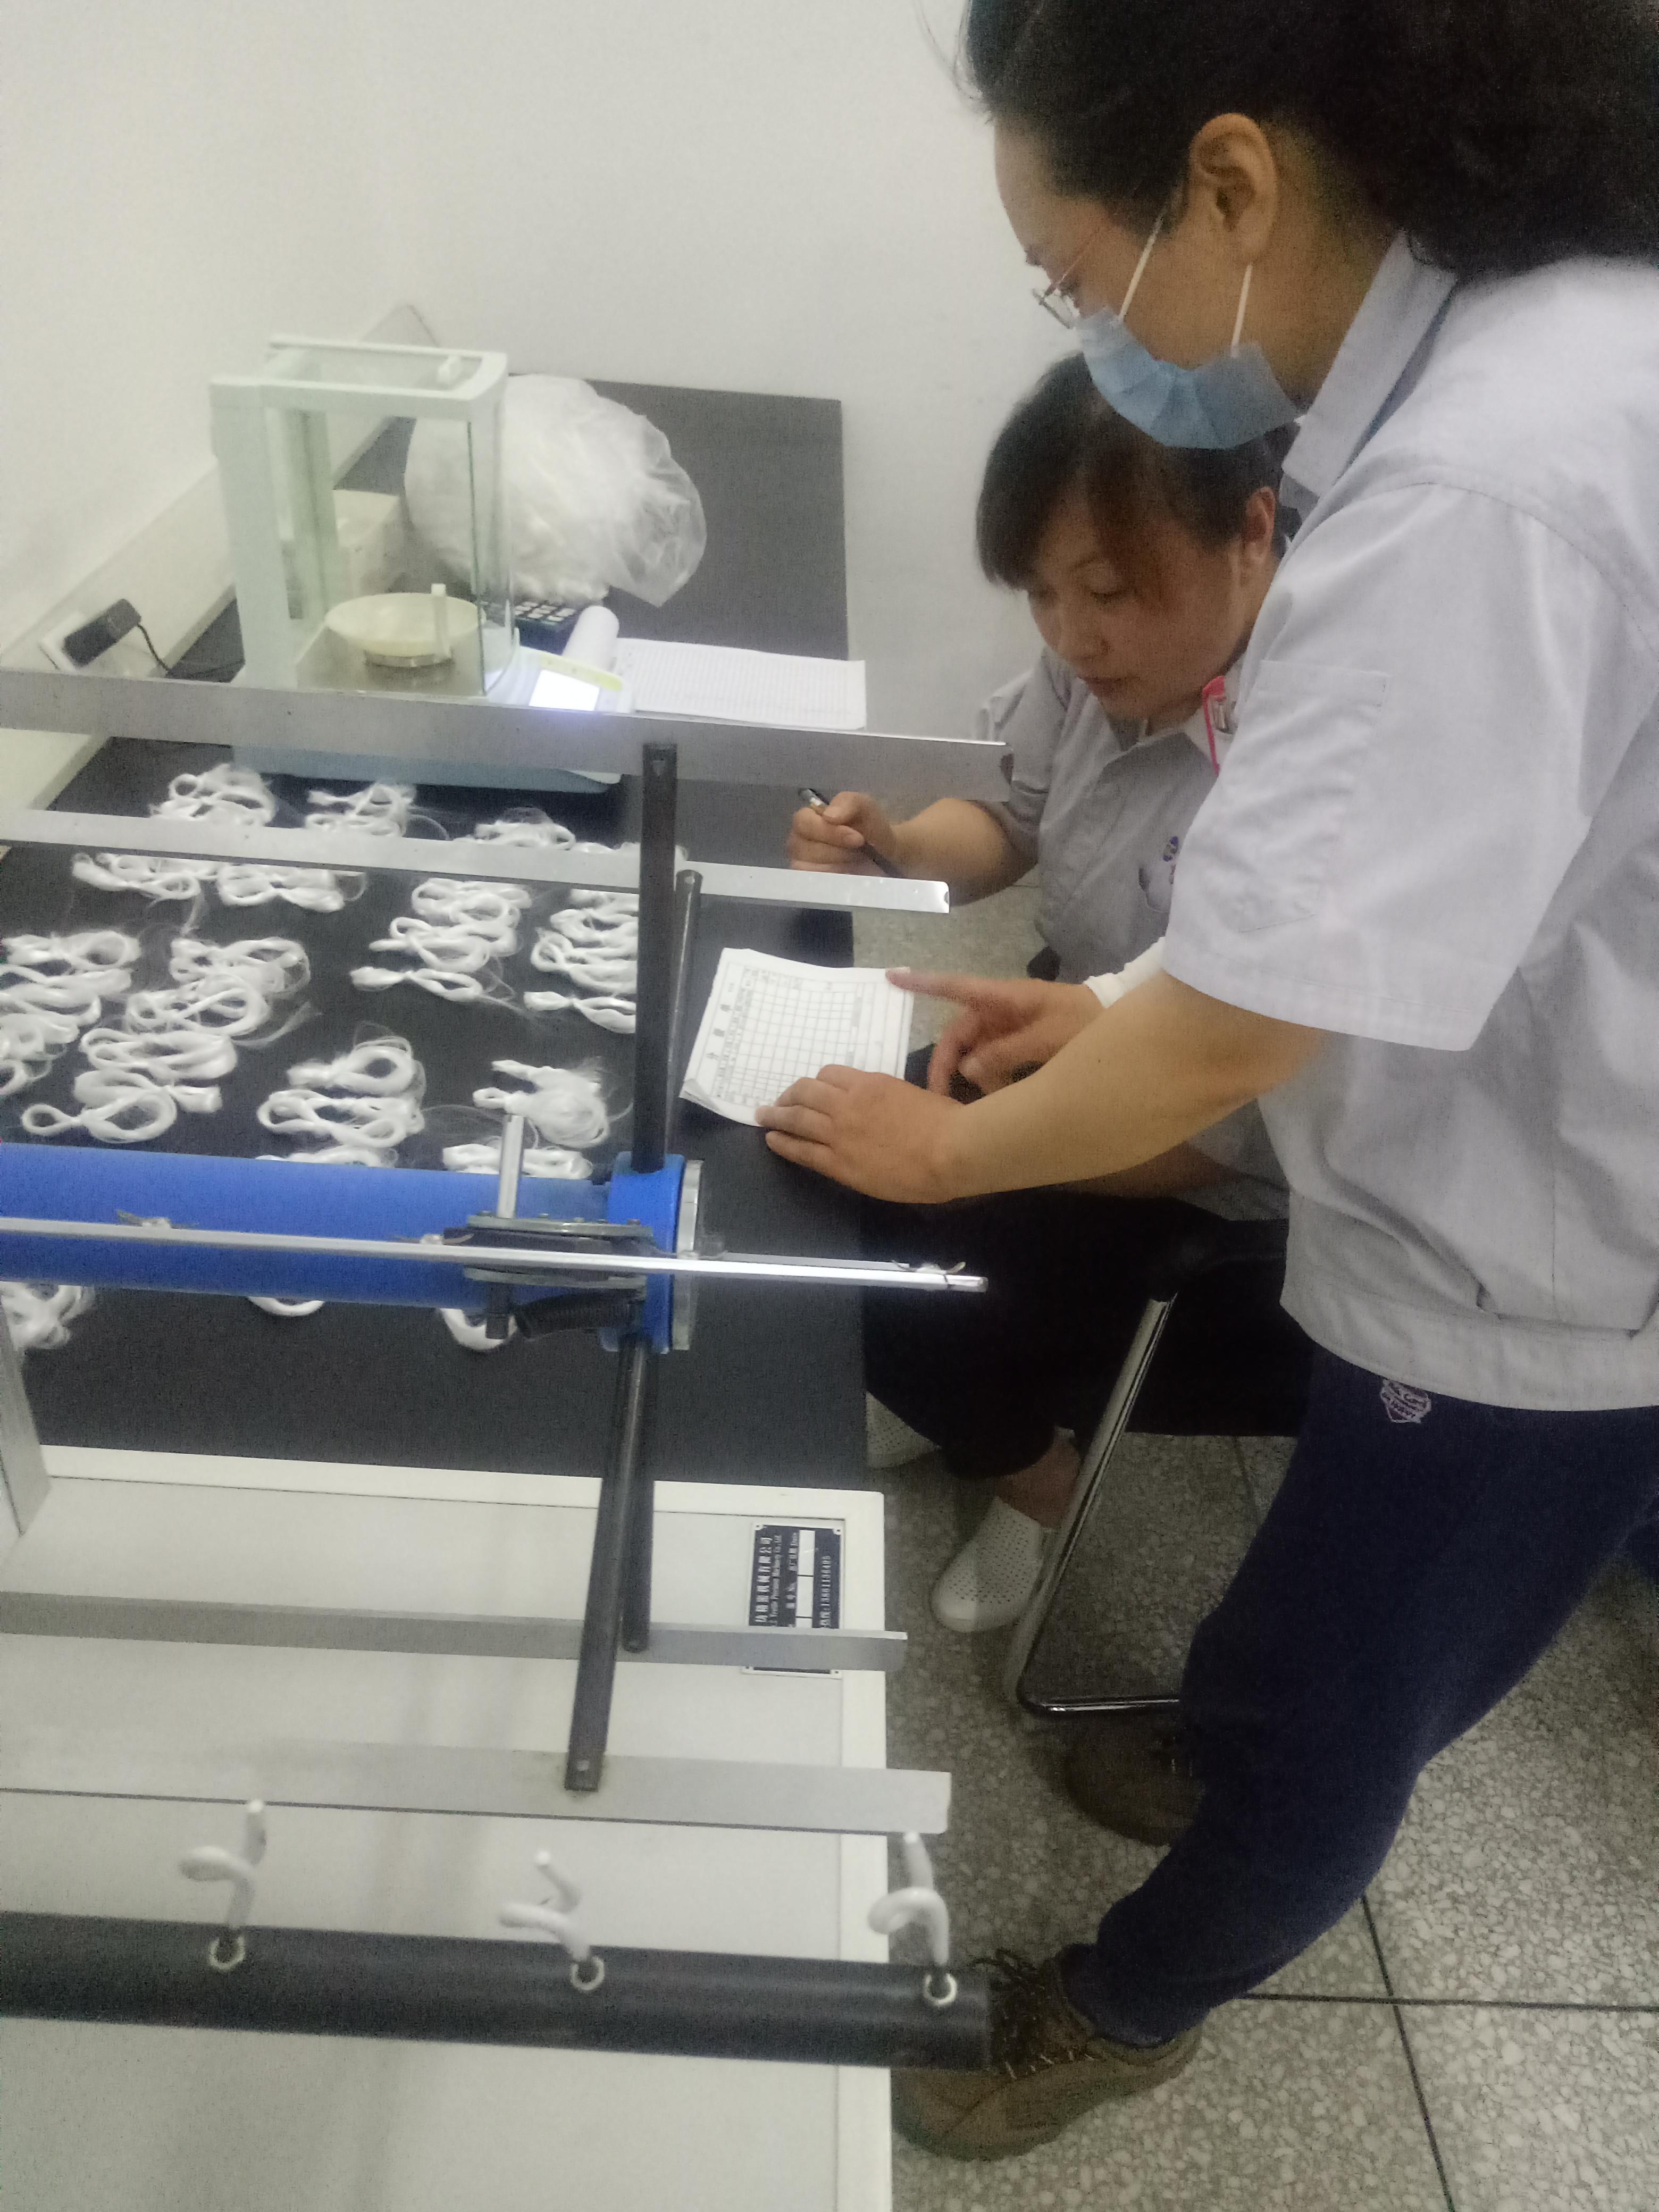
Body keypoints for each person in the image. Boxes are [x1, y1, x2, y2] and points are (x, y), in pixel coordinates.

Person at [757, 0, 1659, 2164]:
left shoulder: (1481, 482)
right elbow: (1359, 874)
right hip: (1483, 1161)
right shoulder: (1530, 366)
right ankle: (1239, 1732)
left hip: (1543, 1262)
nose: (1096, 338)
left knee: (1352, 1690)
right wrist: (1117, 1005)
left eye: (1078, 280)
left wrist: (958, 1145)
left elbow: (1261, 1012)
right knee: (1309, 1614)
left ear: (1231, 185)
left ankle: (1131, 1999)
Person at [788, 355, 1289, 1632]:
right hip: (1057, 1035)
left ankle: (1034, 1477)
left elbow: (1226, 1123)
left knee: (906, 1271)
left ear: (1253, 533)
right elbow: (1008, 820)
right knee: (812, 1168)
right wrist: (898, 845)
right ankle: (965, 1401)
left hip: (1207, 1157)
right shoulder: (1094, 668)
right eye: (1044, 595)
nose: (1073, 636)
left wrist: (965, 1152)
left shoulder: (1310, 750)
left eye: (1110, 591)